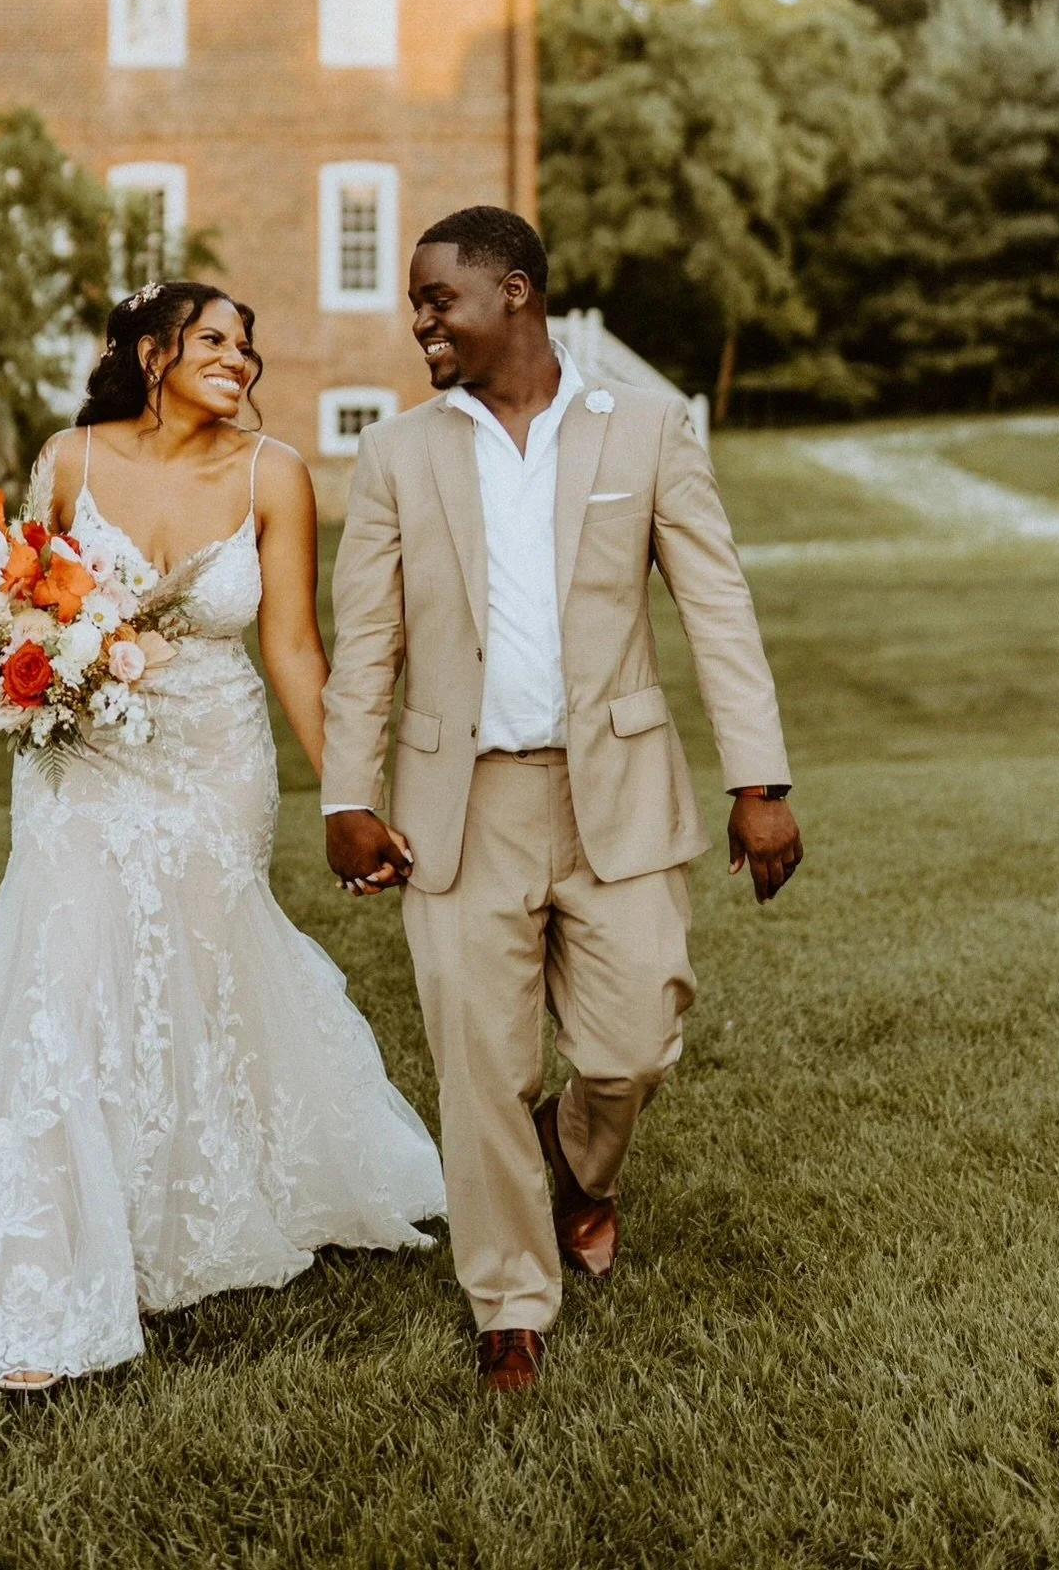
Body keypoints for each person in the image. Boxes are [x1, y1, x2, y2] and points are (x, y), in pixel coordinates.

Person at [0, 281, 444, 1392]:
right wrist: (12, 666)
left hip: (212, 756)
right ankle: (43, 1259)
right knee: (62, 969)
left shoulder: (273, 471)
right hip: (82, 757)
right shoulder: (69, 458)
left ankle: (194, 1201)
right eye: (213, 342)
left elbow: (292, 643)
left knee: (196, 964)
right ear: (150, 354)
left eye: (249, 347)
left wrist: (348, 792)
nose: (240, 362)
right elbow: (23, 601)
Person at [321, 208, 802, 1395]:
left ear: (516, 293)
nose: (419, 319)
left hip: (617, 795)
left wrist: (760, 782)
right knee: (480, 1063)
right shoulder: (395, 454)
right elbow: (366, 639)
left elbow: (718, 608)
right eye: (416, 303)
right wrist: (348, 794)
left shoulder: (646, 429)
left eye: (439, 298)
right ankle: (507, 1300)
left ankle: (580, 1167)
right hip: (457, 804)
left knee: (634, 1038)